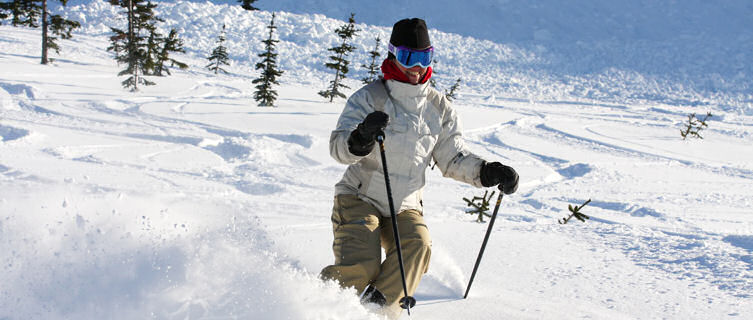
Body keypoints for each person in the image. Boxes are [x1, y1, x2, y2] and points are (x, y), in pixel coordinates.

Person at [320, 18, 519, 318]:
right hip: (360, 198)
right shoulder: (369, 98)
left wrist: (487, 171)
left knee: (418, 246)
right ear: (392, 55)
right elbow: (338, 146)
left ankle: (374, 310)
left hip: (405, 206)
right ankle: (317, 308)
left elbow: (453, 158)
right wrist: (360, 139)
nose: (416, 67)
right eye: (408, 57)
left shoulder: (439, 108)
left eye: (423, 58)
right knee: (362, 265)